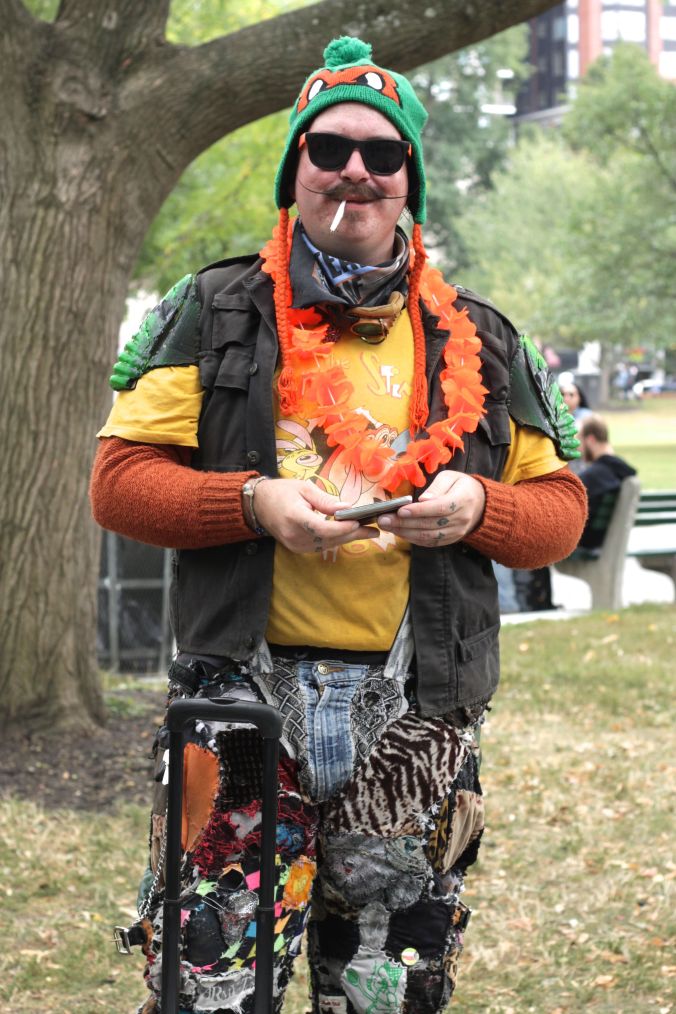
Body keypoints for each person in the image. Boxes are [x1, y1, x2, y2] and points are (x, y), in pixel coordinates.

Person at [90, 37, 587, 1014]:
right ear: (296, 170)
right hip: (241, 697)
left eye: (383, 154)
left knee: (379, 992)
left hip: (416, 715)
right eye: (328, 149)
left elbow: (560, 511)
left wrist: (482, 507)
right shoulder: (216, 307)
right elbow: (118, 484)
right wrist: (250, 503)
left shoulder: (479, 338)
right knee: (216, 986)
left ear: (409, 184)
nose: (355, 169)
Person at [576, 414, 637, 551]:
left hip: (586, 545)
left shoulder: (591, 477)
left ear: (590, 440)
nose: (579, 448)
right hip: (609, 544)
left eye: (579, 440)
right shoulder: (625, 474)